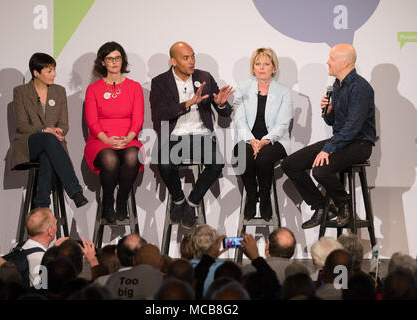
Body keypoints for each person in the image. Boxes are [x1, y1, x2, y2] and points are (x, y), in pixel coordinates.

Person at [281, 43, 376, 229]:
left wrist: (328, 149)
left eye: (331, 59)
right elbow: (335, 123)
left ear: (345, 63)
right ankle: (322, 208)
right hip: (342, 140)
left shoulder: (360, 88)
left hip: (360, 144)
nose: (327, 62)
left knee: (320, 170)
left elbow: (353, 128)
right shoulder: (337, 86)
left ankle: (344, 204)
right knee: (290, 164)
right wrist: (329, 111)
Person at [150, 41, 234, 229]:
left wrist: (221, 104)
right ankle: (179, 200)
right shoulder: (160, 82)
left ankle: (191, 204)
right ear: (173, 61)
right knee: (164, 163)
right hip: (174, 136)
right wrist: (188, 104)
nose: (191, 61)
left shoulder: (204, 77)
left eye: (193, 56)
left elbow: (225, 113)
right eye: (186, 58)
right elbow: (159, 115)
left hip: (201, 135)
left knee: (217, 163)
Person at [10, 52, 88, 209]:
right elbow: (22, 125)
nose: (54, 74)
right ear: (36, 73)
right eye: (49, 71)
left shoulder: (59, 91)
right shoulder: (21, 92)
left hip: (52, 145)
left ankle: (41, 205)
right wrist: (45, 129)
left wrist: (58, 131)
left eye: (54, 70)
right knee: (47, 139)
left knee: (48, 153)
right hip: (29, 143)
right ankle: (75, 191)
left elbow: (64, 124)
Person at [84, 42, 144, 223]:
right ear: (103, 62)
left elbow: (138, 119)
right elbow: (92, 121)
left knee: (133, 156)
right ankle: (108, 201)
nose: (114, 62)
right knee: (110, 160)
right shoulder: (93, 89)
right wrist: (108, 140)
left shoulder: (134, 87)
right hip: (101, 140)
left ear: (122, 60)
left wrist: (128, 138)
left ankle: (122, 199)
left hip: (128, 138)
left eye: (117, 58)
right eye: (110, 59)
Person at [233, 48, 293, 220]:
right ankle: (252, 196)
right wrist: (252, 140)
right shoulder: (242, 89)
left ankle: (265, 197)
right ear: (253, 67)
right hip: (247, 139)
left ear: (274, 68)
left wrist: (265, 140)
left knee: (264, 157)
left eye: (266, 64)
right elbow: (239, 119)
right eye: (258, 64)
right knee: (243, 155)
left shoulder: (283, 92)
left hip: (275, 140)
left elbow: (283, 123)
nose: (261, 68)